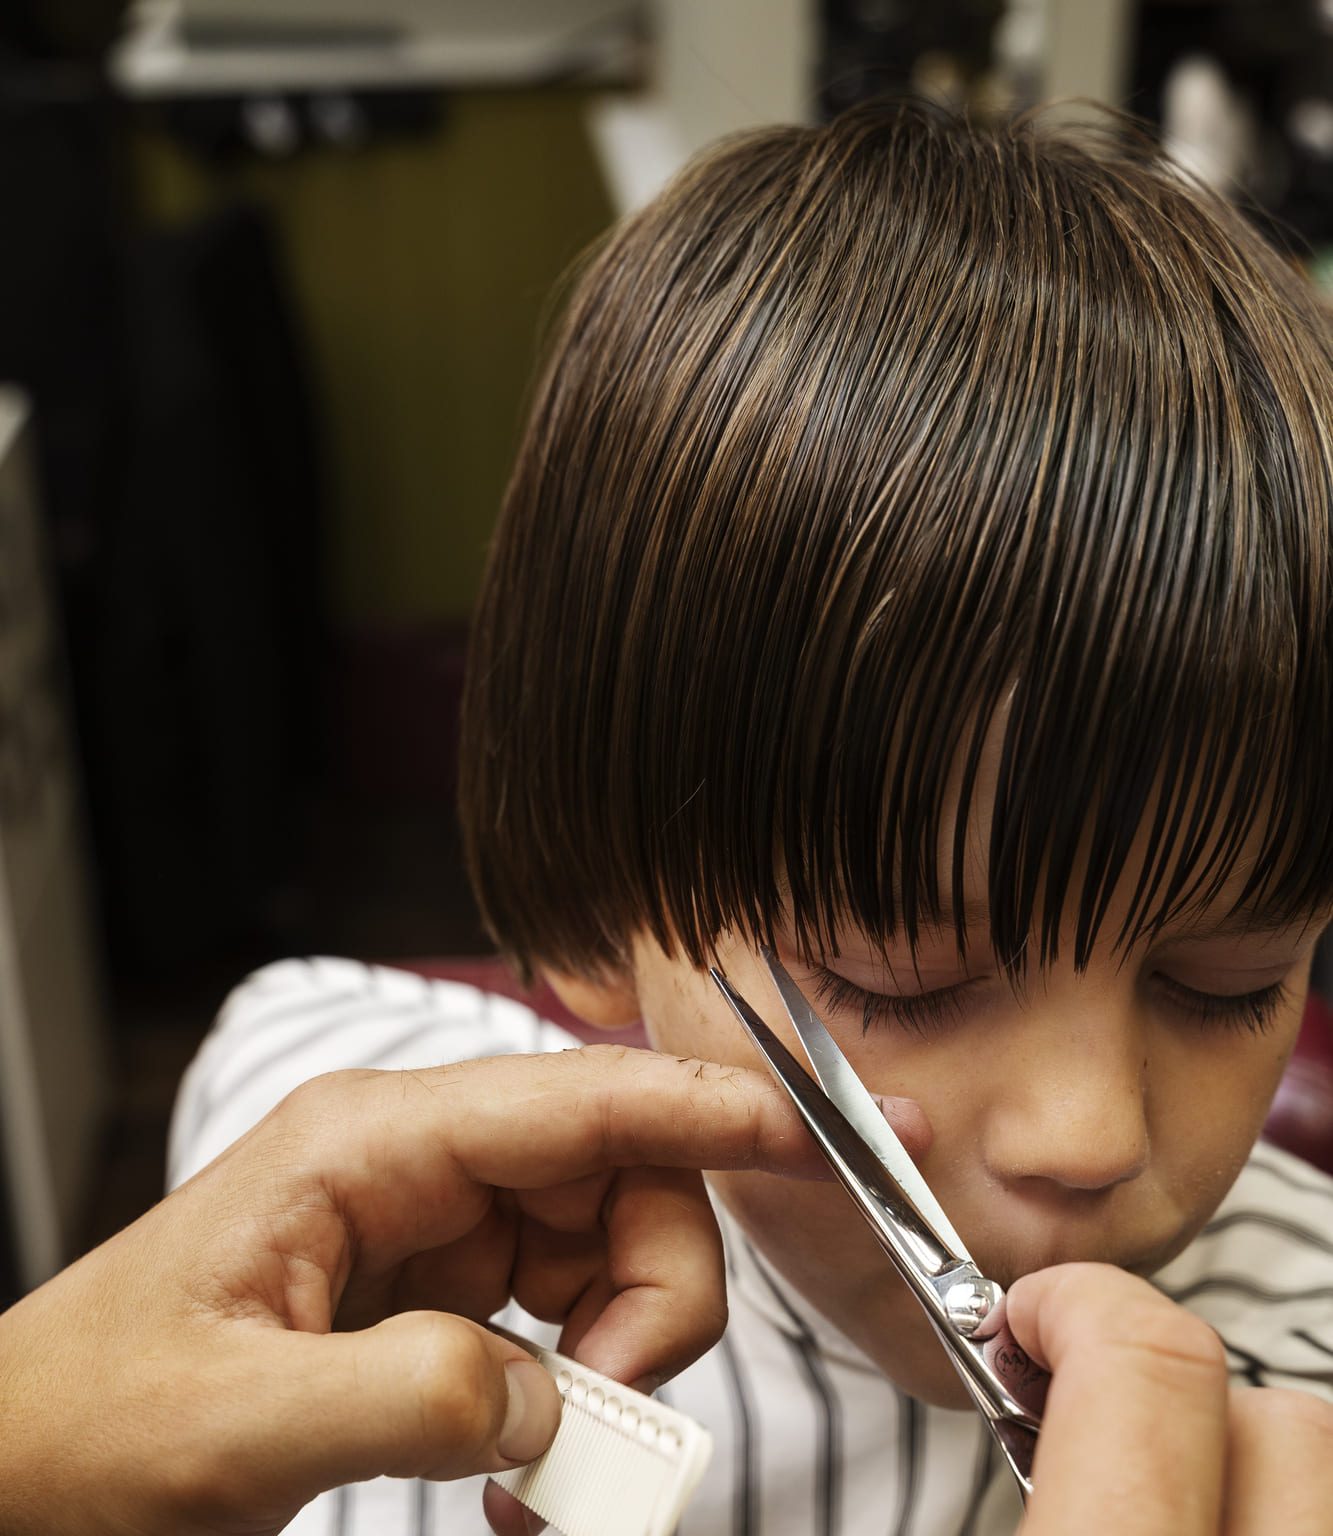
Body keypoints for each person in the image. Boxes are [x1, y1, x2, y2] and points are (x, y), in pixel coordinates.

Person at [168, 98, 1333, 1535]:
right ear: (603, 900)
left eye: (1227, 984)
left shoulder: (1313, 1361)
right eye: (898, 974)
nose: (1086, 1137)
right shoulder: (313, 1139)